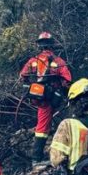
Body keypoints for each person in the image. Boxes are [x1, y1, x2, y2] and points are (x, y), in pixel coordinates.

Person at [19, 32, 72, 163]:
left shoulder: (33, 61)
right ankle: (36, 159)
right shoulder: (58, 62)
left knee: (45, 122)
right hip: (50, 98)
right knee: (42, 127)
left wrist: (34, 85)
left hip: (37, 97)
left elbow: (23, 75)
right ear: (52, 45)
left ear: (40, 46)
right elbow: (67, 80)